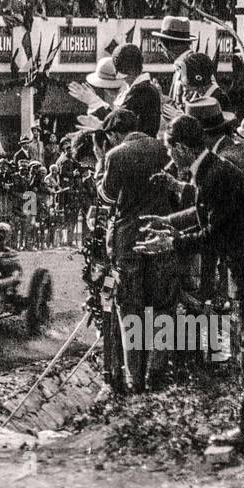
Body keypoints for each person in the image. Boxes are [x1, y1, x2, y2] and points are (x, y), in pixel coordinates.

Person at [137, 115, 244, 446]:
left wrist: (171, 242)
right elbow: (203, 211)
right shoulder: (212, 170)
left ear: (180, 148)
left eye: (169, 149)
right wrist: (167, 222)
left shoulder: (215, 176)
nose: (169, 157)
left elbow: (214, 235)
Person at [96, 108, 179, 392]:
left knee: (129, 306)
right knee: (163, 305)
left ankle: (135, 377)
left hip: (128, 238)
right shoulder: (164, 149)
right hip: (161, 233)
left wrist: (99, 166)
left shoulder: (115, 155)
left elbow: (106, 197)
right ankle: (158, 369)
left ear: (113, 134)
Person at [111, 43, 161, 138]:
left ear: (131, 71)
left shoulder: (140, 91)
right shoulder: (146, 88)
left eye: (124, 74)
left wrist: (97, 104)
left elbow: (118, 124)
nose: (123, 79)